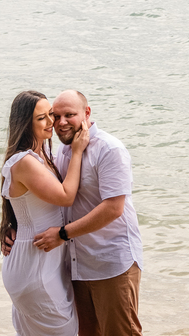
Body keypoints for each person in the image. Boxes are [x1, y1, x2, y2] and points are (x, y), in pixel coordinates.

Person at [31, 90, 145, 336]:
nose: (61, 122)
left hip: (111, 262)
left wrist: (62, 234)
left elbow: (114, 208)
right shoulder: (61, 152)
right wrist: (11, 228)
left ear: (87, 113)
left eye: (69, 115)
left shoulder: (109, 149)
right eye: (56, 115)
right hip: (76, 265)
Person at [0, 90, 91, 336]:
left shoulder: (43, 156)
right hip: (34, 267)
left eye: (50, 114)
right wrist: (78, 151)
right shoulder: (25, 161)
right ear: (25, 124)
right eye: (42, 118)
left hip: (43, 262)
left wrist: (12, 226)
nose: (52, 122)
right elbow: (65, 196)